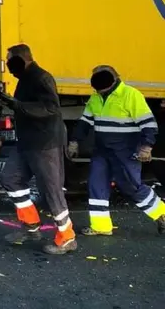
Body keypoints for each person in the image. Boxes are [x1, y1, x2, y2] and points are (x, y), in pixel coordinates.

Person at [67, 65, 165, 236]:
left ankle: (161, 214)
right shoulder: (95, 98)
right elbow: (84, 123)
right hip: (102, 151)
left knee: (131, 187)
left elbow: (148, 124)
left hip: (125, 151)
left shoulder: (130, 95)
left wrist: (146, 146)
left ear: (113, 79)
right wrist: (74, 141)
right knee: (96, 184)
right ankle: (101, 226)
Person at [0, 44, 77, 255]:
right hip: (27, 141)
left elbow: (50, 108)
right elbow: (25, 107)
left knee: (50, 189)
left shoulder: (41, 77)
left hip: (44, 142)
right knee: (9, 178)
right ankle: (31, 225)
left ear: (23, 59)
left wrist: (16, 104)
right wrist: (12, 104)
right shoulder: (25, 79)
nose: (9, 67)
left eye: (10, 61)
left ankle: (67, 237)